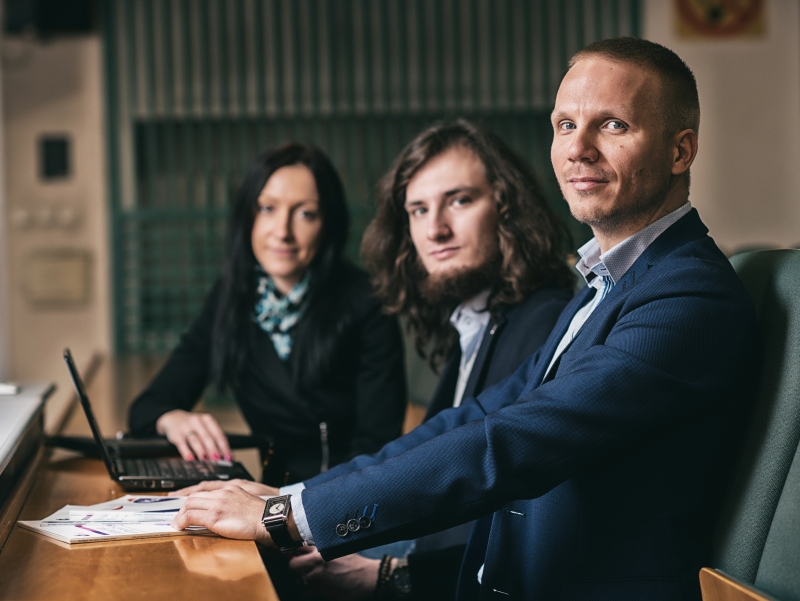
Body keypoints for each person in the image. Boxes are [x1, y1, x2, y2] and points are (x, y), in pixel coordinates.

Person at [172, 38, 760, 600]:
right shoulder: (605, 284)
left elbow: (512, 441)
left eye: (612, 124)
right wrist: (296, 497)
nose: (578, 148)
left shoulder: (688, 296)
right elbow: (475, 417)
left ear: (680, 150)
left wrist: (284, 518)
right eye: (564, 125)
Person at [173, 119, 575, 600]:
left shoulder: (539, 321)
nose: (436, 229)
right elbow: (433, 450)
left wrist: (388, 571)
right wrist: (290, 499)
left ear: (508, 209)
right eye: (418, 210)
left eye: (460, 200)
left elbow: (503, 507)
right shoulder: (478, 317)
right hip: (381, 528)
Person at [128, 143, 407, 486]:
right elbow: (145, 409)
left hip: (345, 506)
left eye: (305, 213)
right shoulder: (231, 298)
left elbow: (378, 450)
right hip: (268, 500)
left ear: (328, 224)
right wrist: (172, 419)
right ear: (247, 216)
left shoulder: (367, 303)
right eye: (267, 209)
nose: (282, 231)